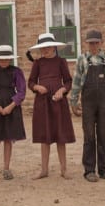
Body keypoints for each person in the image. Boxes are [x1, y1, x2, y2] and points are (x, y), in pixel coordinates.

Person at [70, 29, 105, 182]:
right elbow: (77, 81)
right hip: (88, 101)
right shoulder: (82, 59)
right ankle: (89, 170)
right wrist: (74, 100)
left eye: (96, 42)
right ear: (87, 43)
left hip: (104, 101)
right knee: (89, 135)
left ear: (101, 43)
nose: (94, 45)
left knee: (103, 135)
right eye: (91, 43)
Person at [28, 32, 75, 179]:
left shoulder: (61, 62)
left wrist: (62, 90)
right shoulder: (37, 63)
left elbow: (68, 81)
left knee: (60, 135)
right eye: (43, 48)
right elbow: (31, 82)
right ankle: (44, 170)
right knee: (45, 136)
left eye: (48, 47)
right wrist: (37, 87)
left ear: (54, 47)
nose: (45, 50)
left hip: (58, 101)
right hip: (43, 102)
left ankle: (64, 169)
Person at [0, 45, 26, 181]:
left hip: (11, 106)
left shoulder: (16, 72)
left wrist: (11, 105)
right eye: (1, 58)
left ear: (10, 59)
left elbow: (21, 91)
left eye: (6, 58)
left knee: (8, 138)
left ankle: (6, 168)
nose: (3, 61)